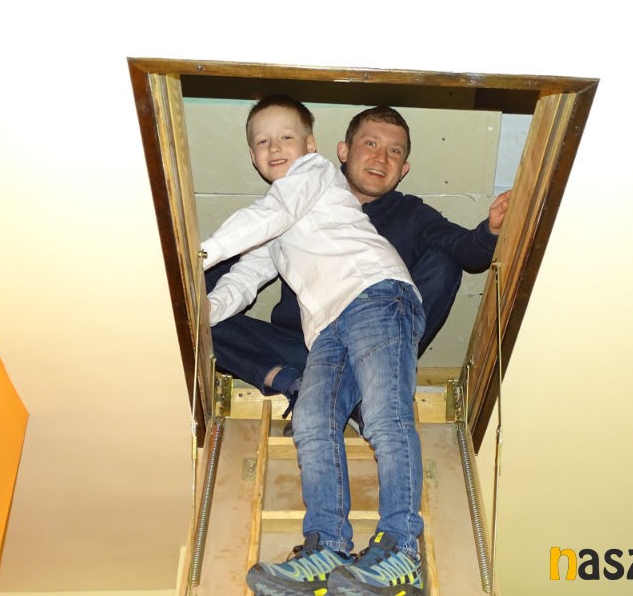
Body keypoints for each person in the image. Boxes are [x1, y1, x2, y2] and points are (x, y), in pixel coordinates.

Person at [201, 95, 428, 595]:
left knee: (386, 417)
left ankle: (402, 550)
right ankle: (327, 546)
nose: (274, 147)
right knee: (311, 423)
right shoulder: (281, 222)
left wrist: (194, 256)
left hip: (376, 295)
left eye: (285, 136)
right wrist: (196, 312)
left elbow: (269, 213)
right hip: (326, 327)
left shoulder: (315, 173)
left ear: (310, 146)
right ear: (252, 156)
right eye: (262, 141)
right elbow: (243, 280)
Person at [206, 106, 511, 427]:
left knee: (445, 262)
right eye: (371, 144)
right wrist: (201, 267)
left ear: (404, 169)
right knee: (199, 311)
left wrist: (491, 230)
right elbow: (248, 263)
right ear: (343, 151)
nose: (381, 158)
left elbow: (468, 251)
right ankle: (302, 384)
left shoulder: (413, 215)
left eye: (394, 151)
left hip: (378, 346)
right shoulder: (300, 194)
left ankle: (369, 384)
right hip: (304, 348)